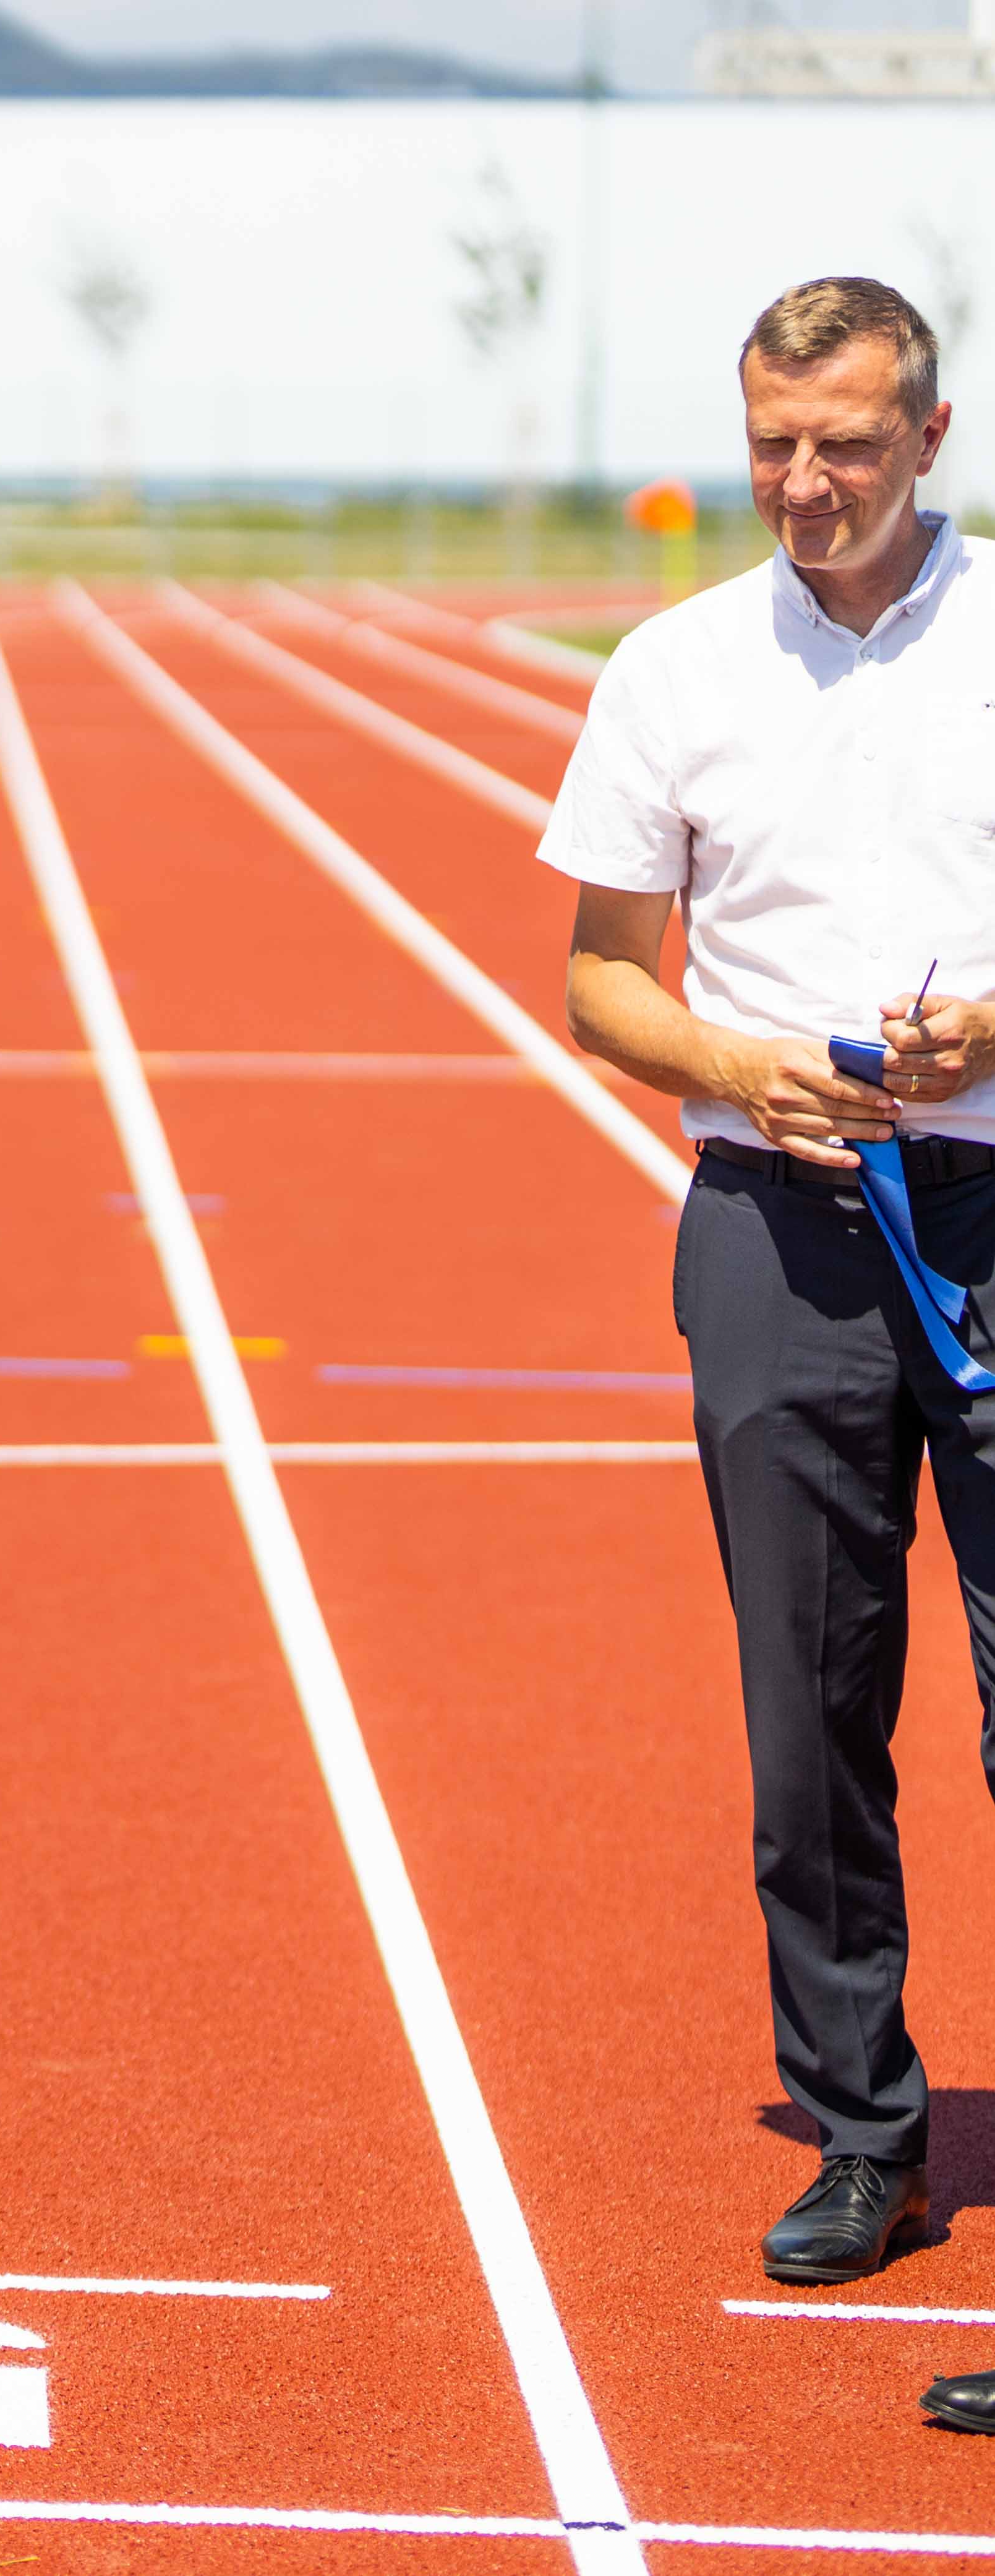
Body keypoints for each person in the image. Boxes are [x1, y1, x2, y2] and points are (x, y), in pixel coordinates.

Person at [547, 278, 995, 2423]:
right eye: (773, 446)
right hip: (773, 1228)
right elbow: (597, 977)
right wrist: (733, 1060)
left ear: (931, 437)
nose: (805, 484)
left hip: (992, 1208)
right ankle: (863, 2129)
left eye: (847, 446)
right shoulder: (676, 664)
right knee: (807, 1718)